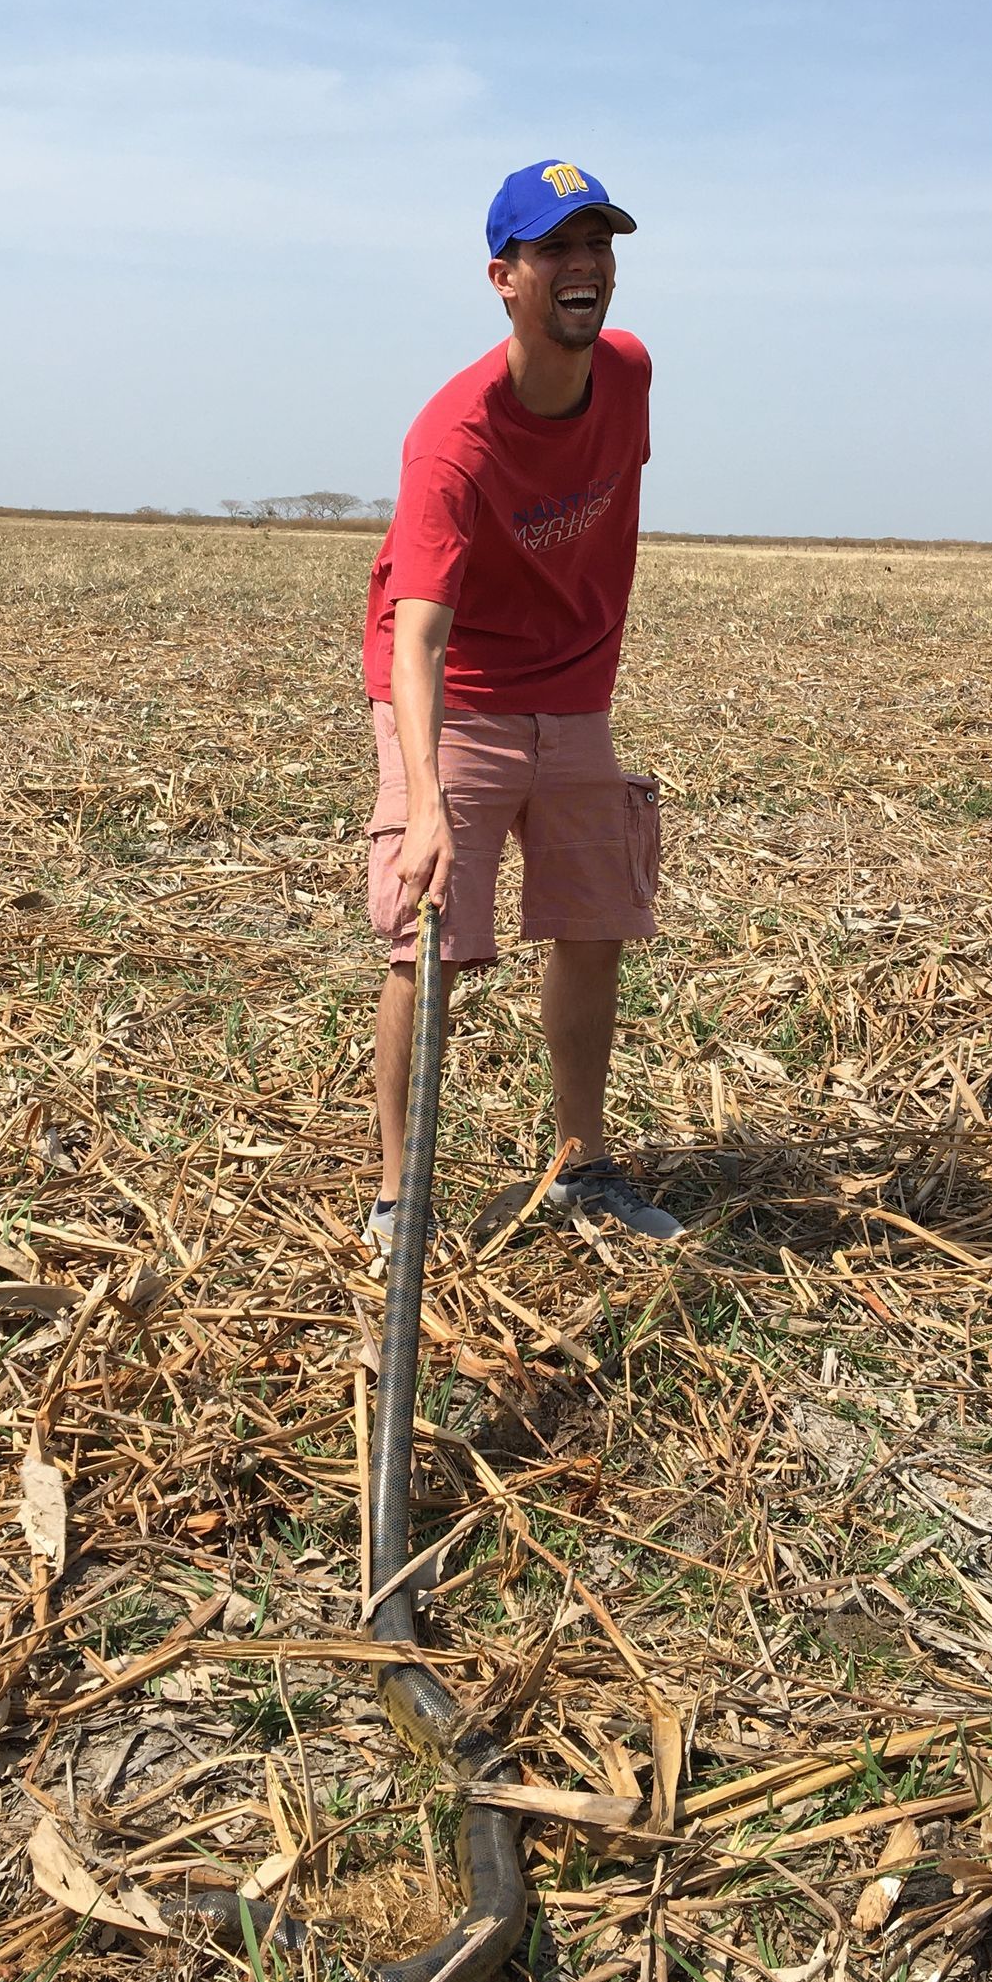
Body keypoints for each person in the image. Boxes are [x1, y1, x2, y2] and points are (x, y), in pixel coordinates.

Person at [361, 159, 681, 1250]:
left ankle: (581, 1163)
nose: (586, 266)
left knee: (595, 925)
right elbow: (420, 636)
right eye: (558, 249)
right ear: (506, 276)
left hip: (574, 696)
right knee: (429, 940)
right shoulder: (454, 438)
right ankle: (402, 1192)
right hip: (463, 697)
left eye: (599, 245)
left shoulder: (629, 373)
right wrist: (432, 798)